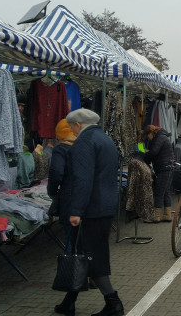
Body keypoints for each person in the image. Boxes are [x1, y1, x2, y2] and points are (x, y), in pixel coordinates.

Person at [55, 109, 124, 316]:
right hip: (105, 205)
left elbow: (82, 180)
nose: (73, 132)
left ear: (77, 125)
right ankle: (69, 302)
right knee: (84, 254)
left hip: (91, 209)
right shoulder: (105, 139)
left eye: (72, 127)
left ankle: (113, 303)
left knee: (91, 256)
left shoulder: (84, 142)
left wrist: (76, 210)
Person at [47, 119, 76, 252]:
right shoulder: (83, 147)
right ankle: (84, 268)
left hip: (70, 198)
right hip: (87, 198)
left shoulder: (61, 150)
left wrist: (52, 191)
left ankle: (71, 269)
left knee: (70, 237)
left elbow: (56, 172)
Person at [142, 125, 174, 223]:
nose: (148, 138)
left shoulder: (159, 138)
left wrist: (144, 157)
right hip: (168, 167)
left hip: (163, 168)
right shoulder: (162, 136)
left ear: (151, 133)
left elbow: (154, 152)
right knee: (166, 191)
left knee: (159, 191)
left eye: (148, 135)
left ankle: (156, 216)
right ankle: (167, 215)